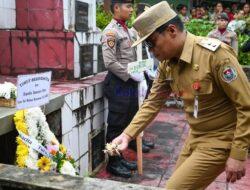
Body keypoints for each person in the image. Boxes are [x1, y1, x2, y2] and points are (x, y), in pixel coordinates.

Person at [112, 1, 250, 189]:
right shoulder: (167, 65)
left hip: (221, 139)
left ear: (171, 30)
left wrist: (238, 153)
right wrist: (127, 135)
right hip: (195, 136)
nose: (151, 51)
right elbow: (152, 103)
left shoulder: (215, 55)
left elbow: (246, 105)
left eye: (152, 44)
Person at [101, 0, 151, 178]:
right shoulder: (111, 32)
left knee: (127, 120)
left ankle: (119, 156)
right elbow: (110, 62)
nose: (131, 10)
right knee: (116, 124)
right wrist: (130, 75)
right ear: (116, 8)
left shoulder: (127, 30)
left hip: (129, 82)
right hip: (118, 83)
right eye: (128, 6)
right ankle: (112, 162)